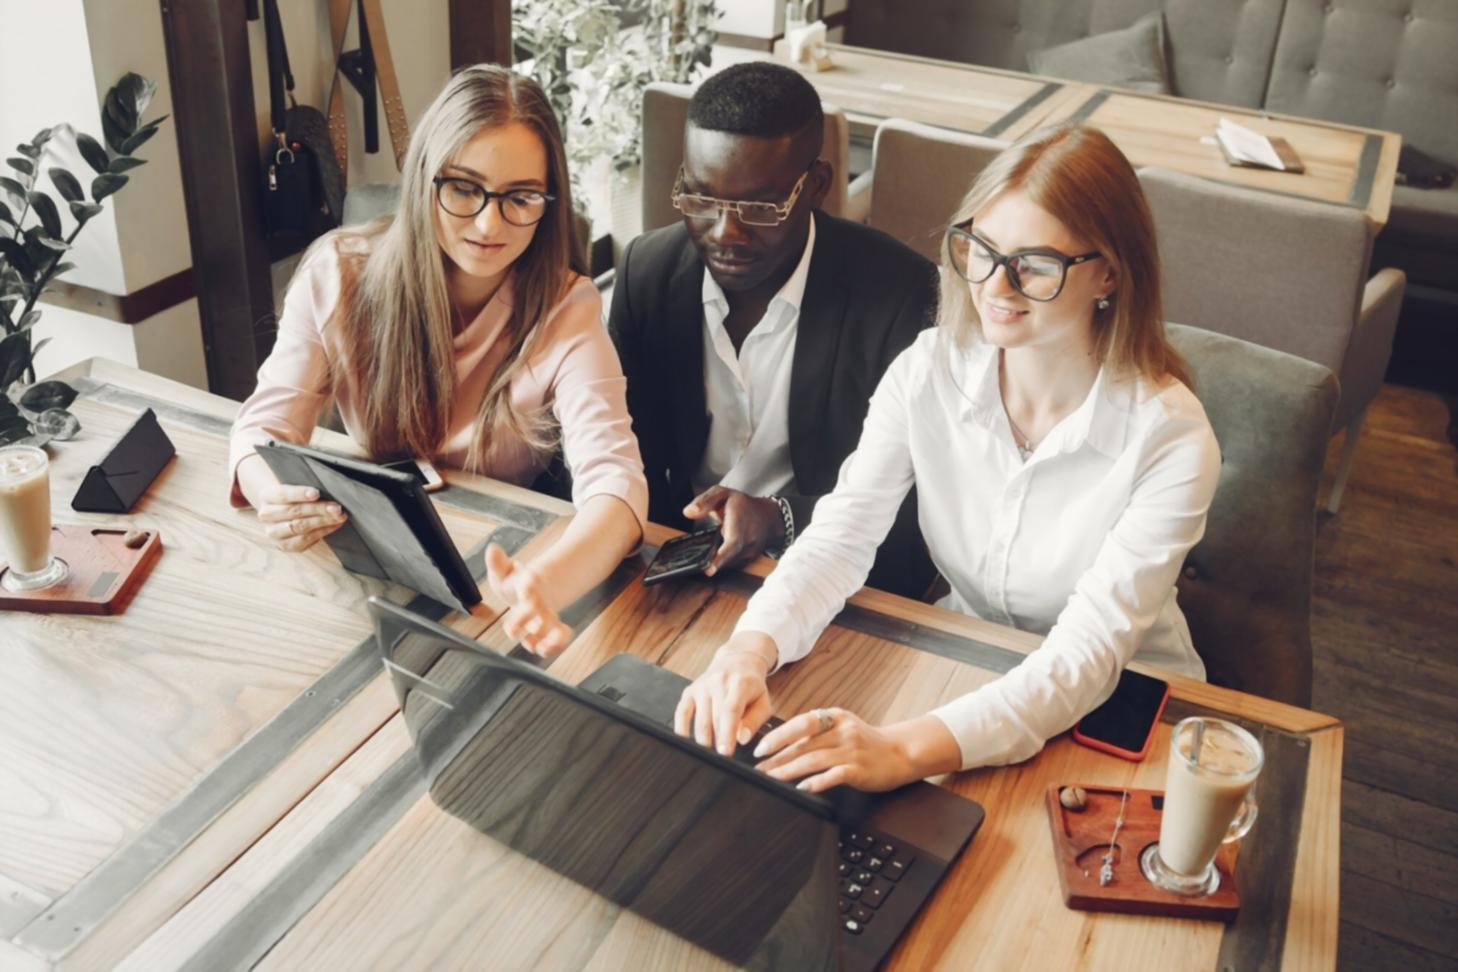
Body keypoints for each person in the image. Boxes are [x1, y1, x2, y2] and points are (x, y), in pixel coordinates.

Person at [673, 124, 1222, 792]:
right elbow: (840, 540)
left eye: (1036, 264)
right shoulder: (927, 369)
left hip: (1126, 712)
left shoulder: (1171, 436)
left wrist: (901, 752)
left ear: (1109, 272)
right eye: (982, 250)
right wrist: (746, 650)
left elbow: (1086, 656)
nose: (996, 284)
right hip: (969, 670)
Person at [229, 65, 647, 657]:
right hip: (367, 567)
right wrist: (270, 492)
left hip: (493, 585)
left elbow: (618, 488)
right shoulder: (338, 271)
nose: (488, 223)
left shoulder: (566, 305)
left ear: (548, 202)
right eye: (464, 188)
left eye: (520, 197)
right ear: (425, 176)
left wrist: (545, 584)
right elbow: (261, 429)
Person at [608, 62, 936, 596]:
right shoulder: (648, 271)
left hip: (827, 573)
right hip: (676, 567)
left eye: (760, 207)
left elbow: (917, 499)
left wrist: (778, 518)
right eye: (702, 198)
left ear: (817, 187)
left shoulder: (900, 295)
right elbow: (625, 445)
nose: (725, 232)